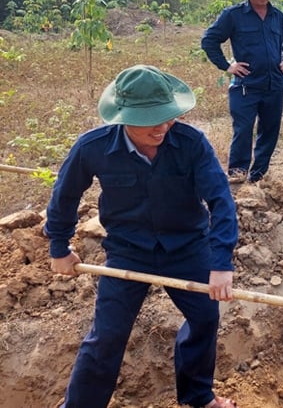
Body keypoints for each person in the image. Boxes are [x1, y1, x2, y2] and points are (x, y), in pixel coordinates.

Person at [43, 65, 239, 408]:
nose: (163, 127)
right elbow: (65, 196)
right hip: (128, 250)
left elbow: (221, 200)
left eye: (168, 117)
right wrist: (59, 246)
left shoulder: (191, 143)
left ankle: (197, 396)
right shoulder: (93, 147)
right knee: (108, 334)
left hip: (187, 247)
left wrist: (221, 262)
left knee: (205, 319)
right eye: (152, 120)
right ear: (123, 116)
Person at [201, 0, 283, 184]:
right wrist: (227, 66)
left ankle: (258, 174)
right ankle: (237, 171)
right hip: (246, 85)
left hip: (274, 84)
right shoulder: (233, 16)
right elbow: (209, 41)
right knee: (243, 129)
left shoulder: (278, 17)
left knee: (270, 129)